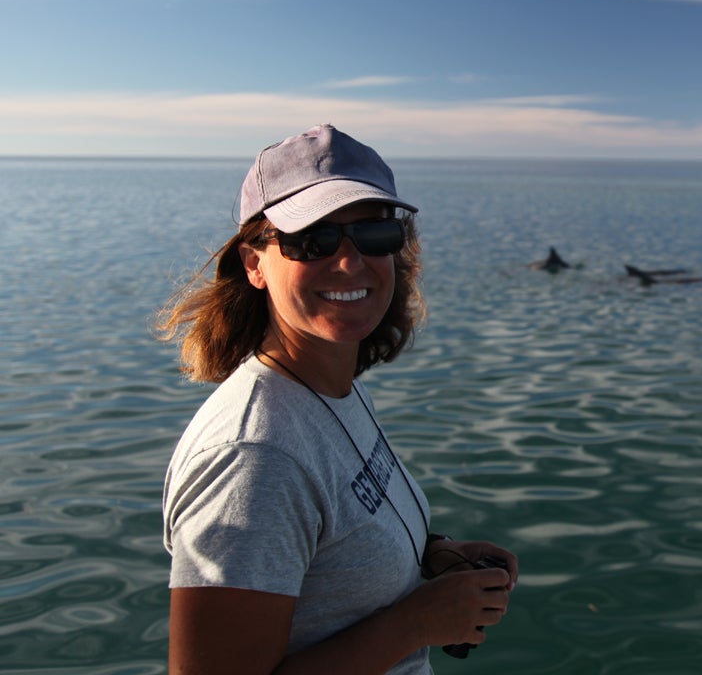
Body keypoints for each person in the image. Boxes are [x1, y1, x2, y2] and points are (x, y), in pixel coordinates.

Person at [158, 124, 517, 674]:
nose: (350, 263)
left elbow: (331, 535)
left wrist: (432, 553)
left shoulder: (330, 389)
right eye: (313, 240)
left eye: (374, 234)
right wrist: (415, 624)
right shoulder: (254, 457)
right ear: (255, 263)